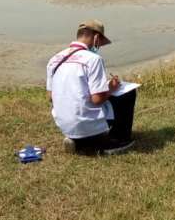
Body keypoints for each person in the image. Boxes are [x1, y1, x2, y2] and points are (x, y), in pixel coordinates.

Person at [46, 19, 136, 155]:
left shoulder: (55, 59)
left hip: (64, 124)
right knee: (127, 93)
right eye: (100, 43)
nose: (99, 47)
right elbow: (97, 99)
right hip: (85, 121)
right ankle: (117, 140)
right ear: (96, 38)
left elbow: (50, 97)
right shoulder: (93, 59)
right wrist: (111, 88)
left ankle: (78, 140)